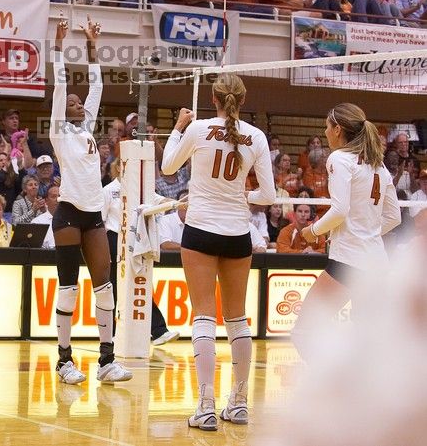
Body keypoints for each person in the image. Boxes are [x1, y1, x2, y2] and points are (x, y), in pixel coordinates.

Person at [161, 73, 275, 430]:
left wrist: (178, 129)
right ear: (241, 100)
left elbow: (167, 168)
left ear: (213, 99)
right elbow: (268, 197)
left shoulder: (197, 129)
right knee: (237, 319)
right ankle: (239, 403)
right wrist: (244, 196)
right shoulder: (256, 136)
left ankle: (206, 405)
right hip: (238, 233)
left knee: (204, 316)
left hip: (200, 231)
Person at [50, 17, 132, 384]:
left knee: (105, 286)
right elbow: (60, 85)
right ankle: (64, 360)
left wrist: (92, 45)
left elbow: (96, 85)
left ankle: (106, 361)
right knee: (68, 288)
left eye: (80, 102)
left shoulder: (85, 130)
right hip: (67, 215)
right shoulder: (58, 132)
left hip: (94, 217)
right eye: (72, 102)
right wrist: (59, 43)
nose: (78, 103)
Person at [292, 103, 401, 360]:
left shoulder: (339, 159)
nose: (325, 132)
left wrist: (313, 231)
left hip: (349, 262)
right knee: (367, 340)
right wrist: (367, 232)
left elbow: (340, 210)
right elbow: (394, 217)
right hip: (377, 263)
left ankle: (332, 391)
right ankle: (366, 396)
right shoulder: (379, 166)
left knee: (305, 332)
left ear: (337, 129)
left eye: (326, 127)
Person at [102, 159, 180, 345]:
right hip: (113, 239)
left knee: (139, 282)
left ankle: (158, 330)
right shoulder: (108, 190)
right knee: (113, 285)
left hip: (136, 240)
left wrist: (179, 203)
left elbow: (160, 200)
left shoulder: (140, 189)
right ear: (119, 167)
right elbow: (101, 219)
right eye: (125, 165)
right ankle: (112, 334)